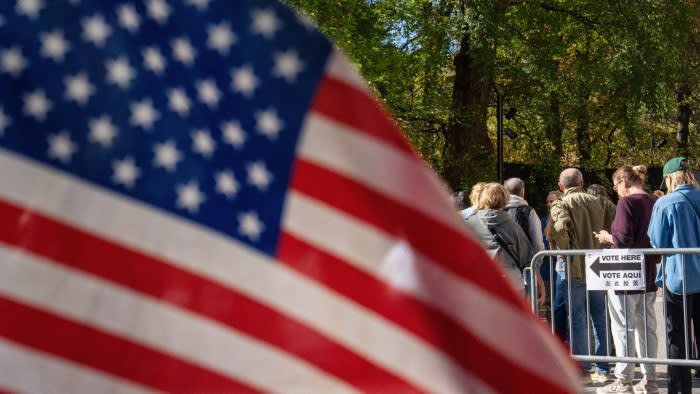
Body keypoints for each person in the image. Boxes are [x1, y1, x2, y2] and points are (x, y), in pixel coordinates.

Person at [594, 165, 660, 394]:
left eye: (615, 185)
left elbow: (621, 239)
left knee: (623, 327)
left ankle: (623, 381)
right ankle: (650, 380)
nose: (615, 190)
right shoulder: (652, 201)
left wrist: (606, 237)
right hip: (649, 271)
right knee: (646, 327)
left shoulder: (627, 203)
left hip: (625, 273)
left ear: (624, 181)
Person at [550, 168, 616, 383]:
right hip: (600, 266)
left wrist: (566, 251)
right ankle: (604, 367)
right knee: (600, 317)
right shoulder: (602, 202)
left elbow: (559, 229)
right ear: (582, 182)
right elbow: (617, 224)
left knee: (577, 319)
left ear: (561, 187)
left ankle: (582, 369)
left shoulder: (561, 204)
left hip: (574, 266)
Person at [648, 157, 700, 394]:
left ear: (670, 178)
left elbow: (658, 242)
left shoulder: (666, 203)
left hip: (680, 277)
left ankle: (680, 389)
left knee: (676, 335)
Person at [464, 182, 545, 305]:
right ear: (505, 199)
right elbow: (527, 258)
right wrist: (539, 283)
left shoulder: (468, 223)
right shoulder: (513, 227)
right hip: (511, 284)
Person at [542, 190, 567, 341]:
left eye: (552, 201)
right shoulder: (543, 220)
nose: (549, 204)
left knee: (562, 308)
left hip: (563, 270)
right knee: (551, 309)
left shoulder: (566, 218)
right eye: (548, 202)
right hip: (548, 271)